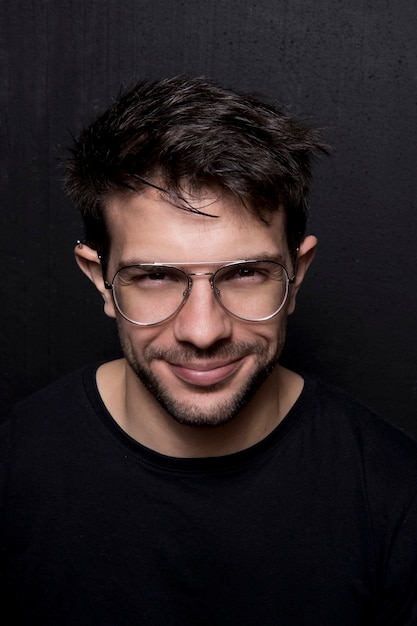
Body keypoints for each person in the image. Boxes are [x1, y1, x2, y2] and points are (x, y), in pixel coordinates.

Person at [1, 76, 417, 625]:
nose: (202, 331)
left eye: (246, 273)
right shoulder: (13, 470)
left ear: (297, 276)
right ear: (100, 280)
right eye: (155, 276)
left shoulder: (396, 492)